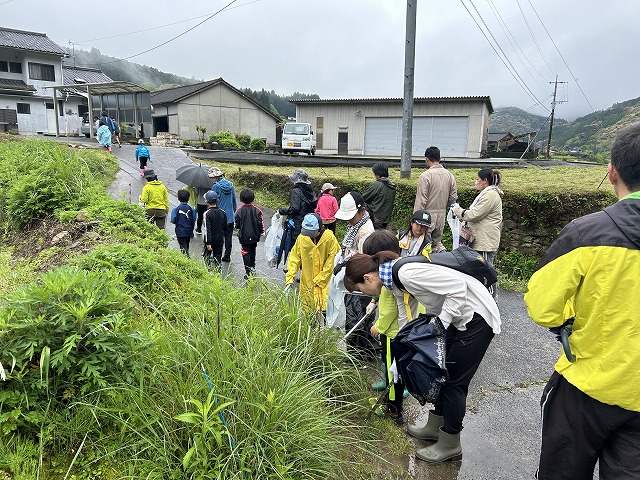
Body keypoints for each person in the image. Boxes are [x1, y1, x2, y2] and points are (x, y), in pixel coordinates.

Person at [524, 122, 640, 480]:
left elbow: (542, 305)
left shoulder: (587, 233)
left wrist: (570, 319)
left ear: (611, 172)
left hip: (588, 386)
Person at [341, 248, 500, 463]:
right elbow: (405, 319)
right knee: (440, 372)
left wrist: (439, 327)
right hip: (458, 317)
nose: (368, 295)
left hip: (477, 318)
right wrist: (399, 358)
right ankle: (435, 427)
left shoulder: (406, 274)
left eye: (363, 289)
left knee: (455, 382)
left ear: (368, 278)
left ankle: (450, 443)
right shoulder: (394, 281)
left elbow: (457, 289)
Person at [334, 191, 377, 359]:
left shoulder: (365, 232)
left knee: (359, 319)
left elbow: (364, 259)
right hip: (354, 276)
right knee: (354, 317)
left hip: (362, 280)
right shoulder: (356, 225)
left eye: (351, 215)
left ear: (362, 211)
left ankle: (360, 356)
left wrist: (345, 263)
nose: (348, 219)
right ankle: (358, 352)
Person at [452, 169, 503, 297]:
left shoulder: (490, 195)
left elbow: (474, 214)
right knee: (479, 269)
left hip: (485, 241)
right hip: (480, 239)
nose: (476, 182)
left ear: (485, 181)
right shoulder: (486, 193)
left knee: (487, 270)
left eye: (477, 179)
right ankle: (481, 298)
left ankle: (491, 298)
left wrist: (458, 210)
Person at [285, 213, 340, 320]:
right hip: (308, 282)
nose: (309, 235)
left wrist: (321, 279)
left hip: (325, 283)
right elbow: (294, 258)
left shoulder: (329, 238)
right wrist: (290, 278)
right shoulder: (302, 238)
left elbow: (333, 260)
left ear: (321, 228)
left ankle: (324, 335)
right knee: (309, 314)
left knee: (327, 312)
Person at [414, 146, 457, 252]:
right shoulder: (450, 176)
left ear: (426, 159)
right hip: (441, 215)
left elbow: (421, 200)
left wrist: (416, 219)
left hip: (426, 216)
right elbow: (453, 198)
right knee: (436, 244)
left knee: (422, 245)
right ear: (440, 158)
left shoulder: (425, 176)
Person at [278, 168, 318, 247]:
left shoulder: (296, 191)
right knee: (307, 245)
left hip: (298, 223)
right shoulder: (310, 191)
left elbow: (295, 208)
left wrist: (282, 210)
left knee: (296, 246)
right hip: (310, 223)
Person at [234, 188, 265, 279]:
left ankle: (248, 272)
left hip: (244, 236)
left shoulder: (239, 211)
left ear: (241, 199)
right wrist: (262, 232)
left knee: (245, 252)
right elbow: (260, 223)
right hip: (255, 236)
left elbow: (237, 225)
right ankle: (253, 268)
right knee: (253, 250)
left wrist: (239, 227)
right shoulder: (257, 210)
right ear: (252, 198)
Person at [209, 166, 237, 263]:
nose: (211, 179)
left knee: (217, 236)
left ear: (215, 177)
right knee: (228, 237)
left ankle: (216, 256)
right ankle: (227, 256)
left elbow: (212, 201)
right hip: (229, 216)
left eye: (211, 177)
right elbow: (234, 202)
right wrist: (232, 212)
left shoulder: (215, 186)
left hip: (219, 216)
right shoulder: (230, 185)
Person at [362, 162, 396, 229]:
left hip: (374, 218)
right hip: (385, 219)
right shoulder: (392, 186)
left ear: (377, 173)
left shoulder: (377, 185)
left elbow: (363, 198)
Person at [202, 190, 226, 272]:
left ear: (206, 201)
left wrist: (208, 243)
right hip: (219, 240)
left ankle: (207, 273)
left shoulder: (207, 213)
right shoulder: (223, 212)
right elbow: (225, 227)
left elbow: (207, 229)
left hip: (210, 240)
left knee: (206, 257)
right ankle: (218, 275)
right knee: (218, 258)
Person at [170, 189, 196, 255]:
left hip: (180, 231)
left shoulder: (176, 209)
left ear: (178, 198)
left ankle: (186, 259)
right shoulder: (191, 208)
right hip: (189, 230)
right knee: (186, 245)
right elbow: (194, 218)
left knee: (183, 247)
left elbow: (173, 220)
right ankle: (186, 256)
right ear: (188, 198)